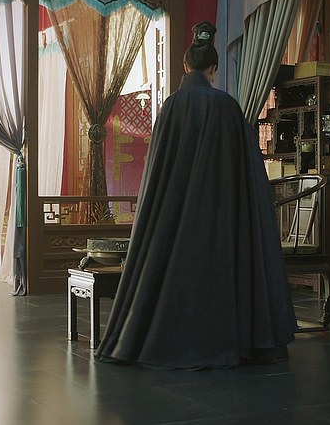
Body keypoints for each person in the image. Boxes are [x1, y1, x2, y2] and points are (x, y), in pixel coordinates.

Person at [95, 21, 298, 369]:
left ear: (185, 66)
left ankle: (160, 340)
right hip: (221, 216)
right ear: (213, 69)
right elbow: (248, 171)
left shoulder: (171, 107)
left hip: (173, 216)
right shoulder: (227, 106)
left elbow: (158, 172)